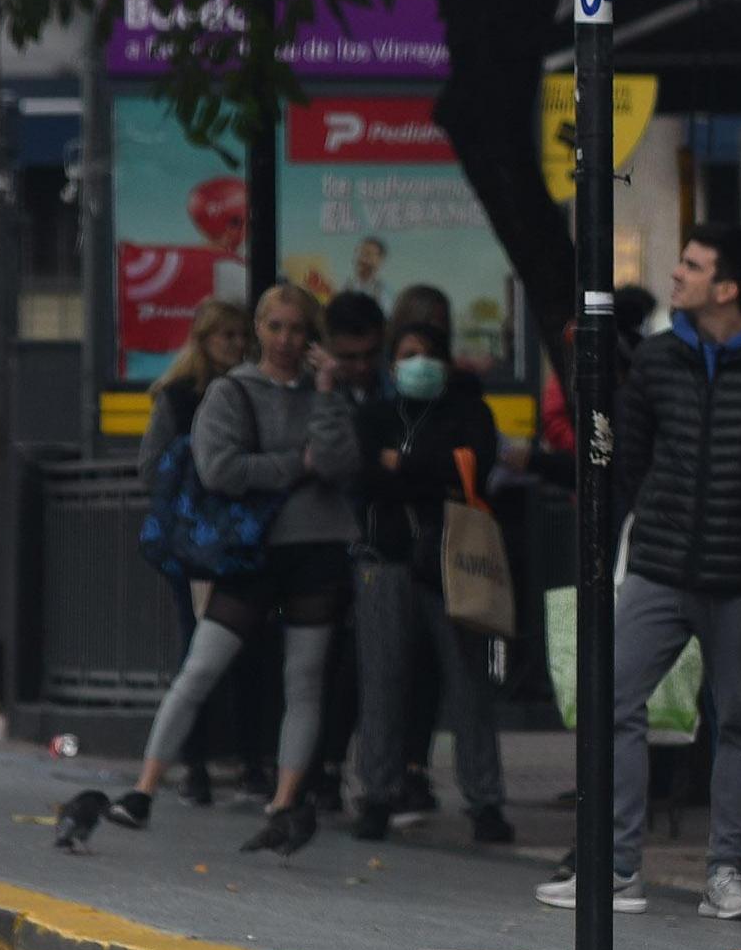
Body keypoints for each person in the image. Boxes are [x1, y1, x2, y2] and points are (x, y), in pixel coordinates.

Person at [533, 224, 741, 919]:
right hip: (661, 568)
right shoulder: (660, 361)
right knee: (611, 701)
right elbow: (631, 459)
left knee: (738, 724)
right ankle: (616, 867)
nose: (677, 274)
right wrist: (657, 519)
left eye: (693, 265)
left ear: (726, 288)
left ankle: (727, 872)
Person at [109, 284, 361, 855]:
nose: (287, 340)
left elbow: (340, 461)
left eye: (298, 329)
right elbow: (220, 468)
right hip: (250, 550)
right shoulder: (230, 391)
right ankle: (144, 788)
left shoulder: (327, 393)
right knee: (202, 666)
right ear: (259, 330)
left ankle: (284, 803)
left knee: (304, 678)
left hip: (316, 545)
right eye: (276, 327)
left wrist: (324, 395)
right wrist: (294, 465)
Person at [348, 321, 513, 846]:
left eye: (427, 354)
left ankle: (485, 801)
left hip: (452, 562)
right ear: (392, 364)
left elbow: (475, 465)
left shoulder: (466, 412)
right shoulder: (375, 415)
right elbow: (366, 477)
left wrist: (405, 464)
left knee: (469, 685)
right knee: (382, 682)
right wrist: (431, 470)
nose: (418, 363)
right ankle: (376, 794)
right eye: (407, 353)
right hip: (388, 558)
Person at [138, 299, 252, 808]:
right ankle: (197, 762)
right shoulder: (180, 397)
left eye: (239, 335)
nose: (234, 345)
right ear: (203, 341)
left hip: (246, 534)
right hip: (197, 540)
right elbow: (151, 466)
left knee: (248, 647)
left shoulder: (254, 390)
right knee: (197, 649)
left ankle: (249, 758)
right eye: (223, 335)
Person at [308, 292, 391, 814]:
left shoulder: (387, 389)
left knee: (364, 661)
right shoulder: (326, 392)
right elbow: (335, 463)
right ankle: (322, 764)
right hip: (328, 536)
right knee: (325, 661)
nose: (360, 367)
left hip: (376, 538)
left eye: (369, 356)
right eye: (349, 357)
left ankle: (354, 764)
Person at [346, 236, 392, 308]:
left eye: (368, 254)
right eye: (360, 253)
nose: (362, 259)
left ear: (380, 260)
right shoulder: (345, 288)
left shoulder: (386, 294)